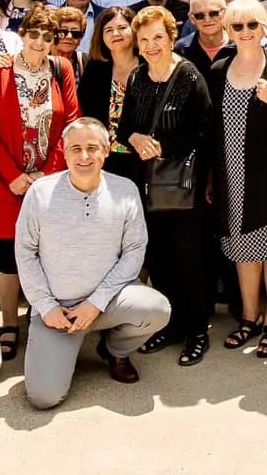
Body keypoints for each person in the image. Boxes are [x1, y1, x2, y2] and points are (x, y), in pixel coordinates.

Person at [18, 119, 166, 408]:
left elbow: (135, 250)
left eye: (92, 148)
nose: (84, 156)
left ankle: (114, 350)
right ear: (63, 151)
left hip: (107, 301)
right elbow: (25, 252)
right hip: (57, 310)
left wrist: (96, 302)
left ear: (106, 151)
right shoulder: (41, 193)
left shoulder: (125, 190)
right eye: (76, 149)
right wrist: (46, 307)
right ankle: (62, 346)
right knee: (43, 397)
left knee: (157, 310)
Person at [0, 3, 79, 362]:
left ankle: (40, 315)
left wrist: (45, 175)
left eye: (47, 37)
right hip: (9, 181)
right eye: (33, 34)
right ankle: (8, 322)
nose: (39, 42)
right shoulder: (1, 70)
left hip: (48, 180)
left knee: (47, 251)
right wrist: (15, 177)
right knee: (6, 252)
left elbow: (71, 124)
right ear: (22, 34)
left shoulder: (60, 68)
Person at [115, 6, 216, 365]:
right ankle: (171, 325)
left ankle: (197, 330)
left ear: (172, 37)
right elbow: (124, 127)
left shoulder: (189, 76)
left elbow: (203, 131)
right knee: (159, 258)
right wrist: (136, 138)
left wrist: (159, 146)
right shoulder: (138, 78)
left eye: (158, 37)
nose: (151, 45)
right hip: (145, 185)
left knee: (190, 259)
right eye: (144, 40)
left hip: (183, 185)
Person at [206, 0, 267, 358]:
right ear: (228, 30)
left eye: (252, 25)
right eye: (237, 26)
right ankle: (249, 316)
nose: (245, 32)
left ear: (264, 28)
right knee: (243, 248)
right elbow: (211, 128)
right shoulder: (219, 69)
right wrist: (212, 176)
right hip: (230, 173)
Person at [78, 6, 143, 182]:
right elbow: (87, 114)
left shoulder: (149, 64)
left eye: (122, 28)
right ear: (101, 36)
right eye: (108, 30)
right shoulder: (95, 69)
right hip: (106, 162)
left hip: (145, 162)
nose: (116, 33)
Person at [181, 0, 233, 74]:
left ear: (225, 13)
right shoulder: (180, 50)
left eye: (213, 13)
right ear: (191, 18)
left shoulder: (240, 47)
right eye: (200, 15)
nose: (207, 20)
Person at [50, 6, 87, 78]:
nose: (69, 36)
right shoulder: (39, 60)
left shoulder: (86, 63)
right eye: (63, 31)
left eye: (75, 33)